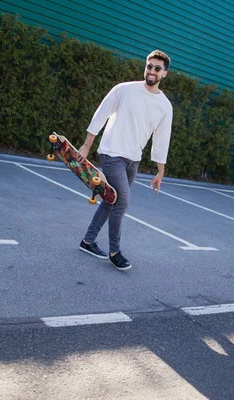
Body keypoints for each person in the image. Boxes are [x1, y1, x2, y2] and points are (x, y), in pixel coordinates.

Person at [76, 49, 173, 271]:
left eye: (157, 68)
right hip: (111, 153)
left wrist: (160, 171)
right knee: (121, 202)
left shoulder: (165, 106)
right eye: (149, 66)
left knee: (111, 201)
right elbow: (101, 114)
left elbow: (162, 138)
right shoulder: (125, 89)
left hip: (133, 160)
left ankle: (87, 241)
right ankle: (114, 251)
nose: (152, 71)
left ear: (164, 74)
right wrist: (87, 145)